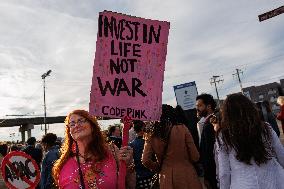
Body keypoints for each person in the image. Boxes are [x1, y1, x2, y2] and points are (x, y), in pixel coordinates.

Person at [215, 94, 284, 189]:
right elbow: (281, 155)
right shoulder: (265, 128)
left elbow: (224, 173)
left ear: (227, 114)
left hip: (242, 184)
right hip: (273, 181)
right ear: (250, 108)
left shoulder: (224, 136)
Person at [52, 109, 135, 189]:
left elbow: (131, 186)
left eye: (81, 120)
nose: (76, 125)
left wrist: (128, 165)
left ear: (92, 125)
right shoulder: (63, 164)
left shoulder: (111, 151)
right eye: (72, 124)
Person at [142, 104, 202, 189]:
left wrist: (159, 167)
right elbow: (195, 156)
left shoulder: (151, 134)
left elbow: (145, 160)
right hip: (187, 174)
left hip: (166, 177)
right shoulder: (182, 128)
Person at [196, 93, 218, 189]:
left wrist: (207, 176)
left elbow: (209, 152)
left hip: (213, 171)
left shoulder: (210, 124)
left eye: (200, 106)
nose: (197, 109)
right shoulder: (209, 121)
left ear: (208, 106)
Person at [130, 120, 154, 189]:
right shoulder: (149, 142)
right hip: (151, 174)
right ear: (142, 128)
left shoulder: (131, 144)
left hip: (139, 177)